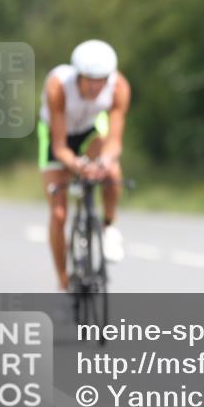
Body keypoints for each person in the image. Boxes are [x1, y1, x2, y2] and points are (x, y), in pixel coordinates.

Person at [38, 40, 130, 291]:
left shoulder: (119, 87)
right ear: (78, 75)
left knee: (111, 170)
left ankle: (109, 226)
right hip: (58, 135)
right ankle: (63, 282)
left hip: (90, 131)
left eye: (101, 79)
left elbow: (114, 142)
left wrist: (103, 161)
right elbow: (59, 147)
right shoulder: (58, 86)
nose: (95, 86)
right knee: (58, 215)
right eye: (89, 79)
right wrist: (77, 166)